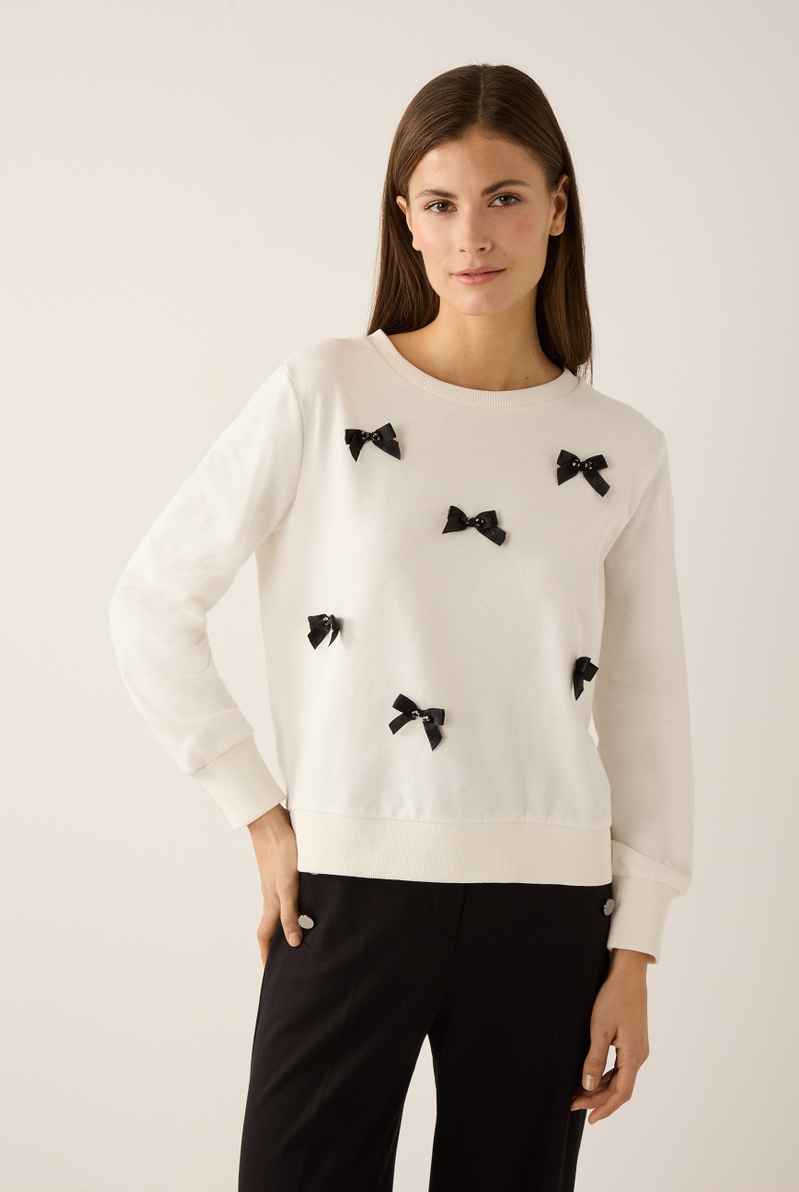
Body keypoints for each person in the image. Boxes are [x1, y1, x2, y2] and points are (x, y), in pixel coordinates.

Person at [109, 62, 695, 1192]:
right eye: (440, 202)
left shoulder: (625, 448)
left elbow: (646, 700)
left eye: (505, 197)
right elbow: (151, 601)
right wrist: (259, 813)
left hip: (551, 911)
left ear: (558, 208)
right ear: (406, 220)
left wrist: (637, 947)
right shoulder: (322, 392)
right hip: (342, 891)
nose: (472, 234)